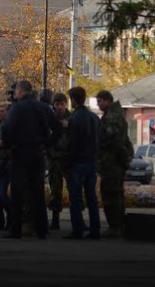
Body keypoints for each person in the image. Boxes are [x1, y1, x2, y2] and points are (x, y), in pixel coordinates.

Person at [1, 80, 60, 240]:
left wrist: (7, 146)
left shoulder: (17, 108)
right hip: (38, 153)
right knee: (38, 192)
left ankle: (15, 230)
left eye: (16, 92)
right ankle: (42, 229)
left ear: (20, 91)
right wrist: (46, 144)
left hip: (20, 152)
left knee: (17, 192)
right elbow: (58, 128)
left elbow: (7, 129)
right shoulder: (43, 107)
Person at [63, 87, 100, 240]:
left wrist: (66, 165)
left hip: (78, 163)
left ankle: (77, 230)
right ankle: (95, 230)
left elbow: (72, 144)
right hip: (92, 161)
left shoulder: (75, 118)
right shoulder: (94, 117)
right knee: (92, 198)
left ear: (73, 99)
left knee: (76, 198)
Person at [96, 90, 132, 239]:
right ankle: (119, 225)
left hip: (111, 162)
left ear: (107, 101)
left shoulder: (111, 117)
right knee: (116, 193)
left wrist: (122, 158)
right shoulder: (117, 115)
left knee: (110, 194)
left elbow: (113, 140)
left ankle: (115, 226)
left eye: (99, 101)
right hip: (114, 161)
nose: (98, 105)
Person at [47, 92, 71, 231]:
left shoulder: (72, 119)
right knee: (55, 190)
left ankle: (78, 220)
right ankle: (55, 219)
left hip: (68, 159)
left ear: (66, 105)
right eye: (57, 104)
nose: (59, 107)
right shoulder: (50, 119)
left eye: (62, 104)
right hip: (54, 160)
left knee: (74, 190)